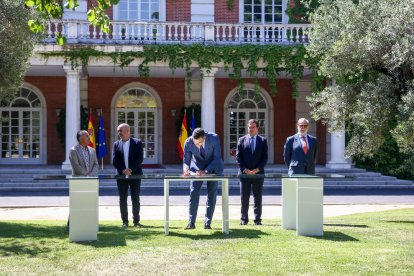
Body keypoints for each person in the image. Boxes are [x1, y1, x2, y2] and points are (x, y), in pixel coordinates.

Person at [183, 128, 224, 230]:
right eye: (195, 143)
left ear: (204, 137)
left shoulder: (214, 138)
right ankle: (191, 223)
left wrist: (205, 171)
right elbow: (186, 160)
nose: (198, 145)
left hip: (213, 167)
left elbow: (217, 158)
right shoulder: (188, 142)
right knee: (194, 194)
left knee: (211, 195)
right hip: (197, 169)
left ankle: (208, 223)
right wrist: (186, 169)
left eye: (200, 143)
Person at [236, 119, 268, 225]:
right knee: (244, 198)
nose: (251, 129)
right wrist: (245, 170)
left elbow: (265, 158)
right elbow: (238, 157)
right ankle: (244, 219)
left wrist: (257, 169)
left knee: (257, 198)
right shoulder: (241, 140)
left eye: (253, 127)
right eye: (249, 127)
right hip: (244, 174)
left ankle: (257, 220)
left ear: (257, 128)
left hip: (258, 174)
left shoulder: (263, 141)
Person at [112, 123, 144, 228]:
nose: (119, 133)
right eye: (118, 131)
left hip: (135, 175)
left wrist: (130, 169)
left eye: (121, 131)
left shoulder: (137, 143)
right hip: (121, 176)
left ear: (128, 131)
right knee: (122, 199)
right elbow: (114, 160)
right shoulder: (116, 144)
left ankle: (136, 222)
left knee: (135, 198)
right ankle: (125, 222)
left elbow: (140, 159)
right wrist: (123, 170)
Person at [68, 130, 99, 230]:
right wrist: (86, 175)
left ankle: (87, 224)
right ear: (80, 139)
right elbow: (76, 166)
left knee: (88, 203)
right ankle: (71, 225)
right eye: (86, 136)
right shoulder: (73, 150)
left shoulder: (92, 150)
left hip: (90, 181)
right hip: (78, 181)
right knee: (77, 203)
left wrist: (91, 175)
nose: (89, 137)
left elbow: (96, 164)